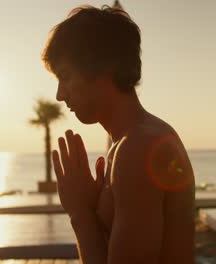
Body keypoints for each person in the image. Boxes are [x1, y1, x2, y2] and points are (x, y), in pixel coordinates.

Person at [42, 5, 195, 264]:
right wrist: (90, 208)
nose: (60, 94)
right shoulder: (131, 141)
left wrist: (79, 212)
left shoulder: (139, 147)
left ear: (103, 69)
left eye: (65, 76)